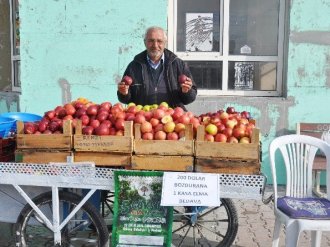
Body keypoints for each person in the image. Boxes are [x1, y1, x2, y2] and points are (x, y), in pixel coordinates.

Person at [117, 26, 197, 110]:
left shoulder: (178, 64)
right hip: (143, 118)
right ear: (145, 43)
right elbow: (126, 99)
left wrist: (186, 91)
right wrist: (124, 93)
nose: (155, 45)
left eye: (159, 41)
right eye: (151, 41)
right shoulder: (134, 66)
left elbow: (189, 99)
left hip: (173, 118)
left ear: (165, 43)